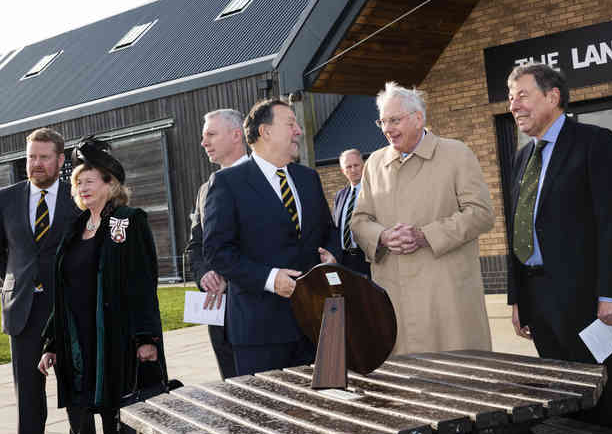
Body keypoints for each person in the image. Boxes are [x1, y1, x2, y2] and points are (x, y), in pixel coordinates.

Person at [506, 63, 612, 433]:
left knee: (602, 394)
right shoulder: (521, 157)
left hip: (585, 299)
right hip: (538, 297)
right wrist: (517, 297)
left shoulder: (595, 141)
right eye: (510, 98)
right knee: (561, 395)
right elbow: (518, 224)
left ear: (552, 96)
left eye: (522, 95)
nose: (514, 105)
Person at [37, 137, 168, 434]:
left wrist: (146, 338)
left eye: (90, 181)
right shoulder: (74, 228)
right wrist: (51, 343)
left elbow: (143, 284)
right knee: (80, 421)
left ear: (111, 184)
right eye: (78, 181)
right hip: (77, 343)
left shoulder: (127, 221)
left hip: (115, 339)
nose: (82, 187)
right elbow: (63, 292)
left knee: (120, 421)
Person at [350, 82, 494, 356]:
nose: (387, 128)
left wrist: (426, 235)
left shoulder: (456, 154)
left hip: (448, 300)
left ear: (418, 118)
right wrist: (382, 236)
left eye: (395, 120)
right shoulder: (374, 164)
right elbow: (359, 221)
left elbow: (481, 214)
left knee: (456, 384)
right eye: (382, 121)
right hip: (395, 302)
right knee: (404, 388)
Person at [203, 98, 339, 376]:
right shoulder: (229, 183)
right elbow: (218, 252)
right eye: (290, 124)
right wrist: (269, 279)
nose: (298, 131)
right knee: (268, 417)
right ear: (265, 132)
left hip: (316, 324)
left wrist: (333, 253)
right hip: (259, 333)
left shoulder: (308, 178)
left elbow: (329, 232)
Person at [0, 128, 78, 434]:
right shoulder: (5, 198)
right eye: (31, 157)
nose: (36, 164)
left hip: (67, 310)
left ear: (60, 159)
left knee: (76, 393)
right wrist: (22, 281)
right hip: (22, 311)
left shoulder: (77, 196)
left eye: (44, 157)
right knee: (28, 399)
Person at [183, 109, 249, 379]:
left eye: (211, 134)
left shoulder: (261, 179)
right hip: (217, 314)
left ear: (236, 135)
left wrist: (228, 276)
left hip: (253, 306)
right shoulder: (204, 190)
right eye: (202, 136)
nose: (203, 142)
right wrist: (205, 275)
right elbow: (195, 245)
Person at [332, 149, 371, 277]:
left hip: (367, 258)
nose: (353, 170)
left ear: (363, 165)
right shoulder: (340, 195)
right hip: (344, 260)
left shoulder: (374, 191)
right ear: (343, 171)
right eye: (348, 167)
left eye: (356, 165)